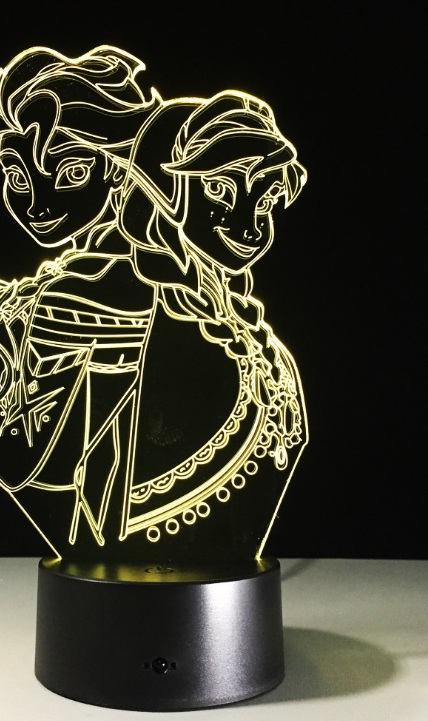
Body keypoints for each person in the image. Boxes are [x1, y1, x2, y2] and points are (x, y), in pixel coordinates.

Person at [0, 47, 161, 556]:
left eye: (71, 174)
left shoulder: (122, 275)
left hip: (128, 497)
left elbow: (21, 455)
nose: (38, 204)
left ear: (118, 167)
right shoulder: (81, 273)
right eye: (18, 178)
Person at [116, 91, 309, 558]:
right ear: (167, 194)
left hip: (229, 565)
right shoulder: (126, 310)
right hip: (128, 562)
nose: (250, 227)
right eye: (221, 190)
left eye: (265, 200)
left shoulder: (247, 326)